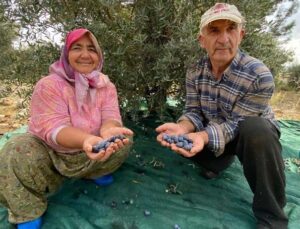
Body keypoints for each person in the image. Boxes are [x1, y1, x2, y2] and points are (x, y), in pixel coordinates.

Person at [156, 3, 287, 229]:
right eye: (214, 31)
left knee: (257, 130)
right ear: (202, 40)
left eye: (231, 29)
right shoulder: (195, 71)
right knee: (186, 146)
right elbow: (193, 111)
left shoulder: (259, 75)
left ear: (241, 35)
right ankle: (220, 161)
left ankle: (272, 217)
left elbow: (238, 123)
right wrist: (183, 128)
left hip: (249, 134)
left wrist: (203, 137)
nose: (224, 38)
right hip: (214, 130)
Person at [0, 28, 133, 229]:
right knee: (16, 150)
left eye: (92, 49)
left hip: (91, 151)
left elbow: (110, 116)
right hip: (51, 154)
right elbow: (54, 128)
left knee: (122, 140)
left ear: (99, 55)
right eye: (77, 48)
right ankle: (27, 210)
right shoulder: (49, 85)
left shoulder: (105, 85)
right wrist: (86, 140)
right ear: (66, 54)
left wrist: (109, 130)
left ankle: (93, 172)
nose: (85, 55)